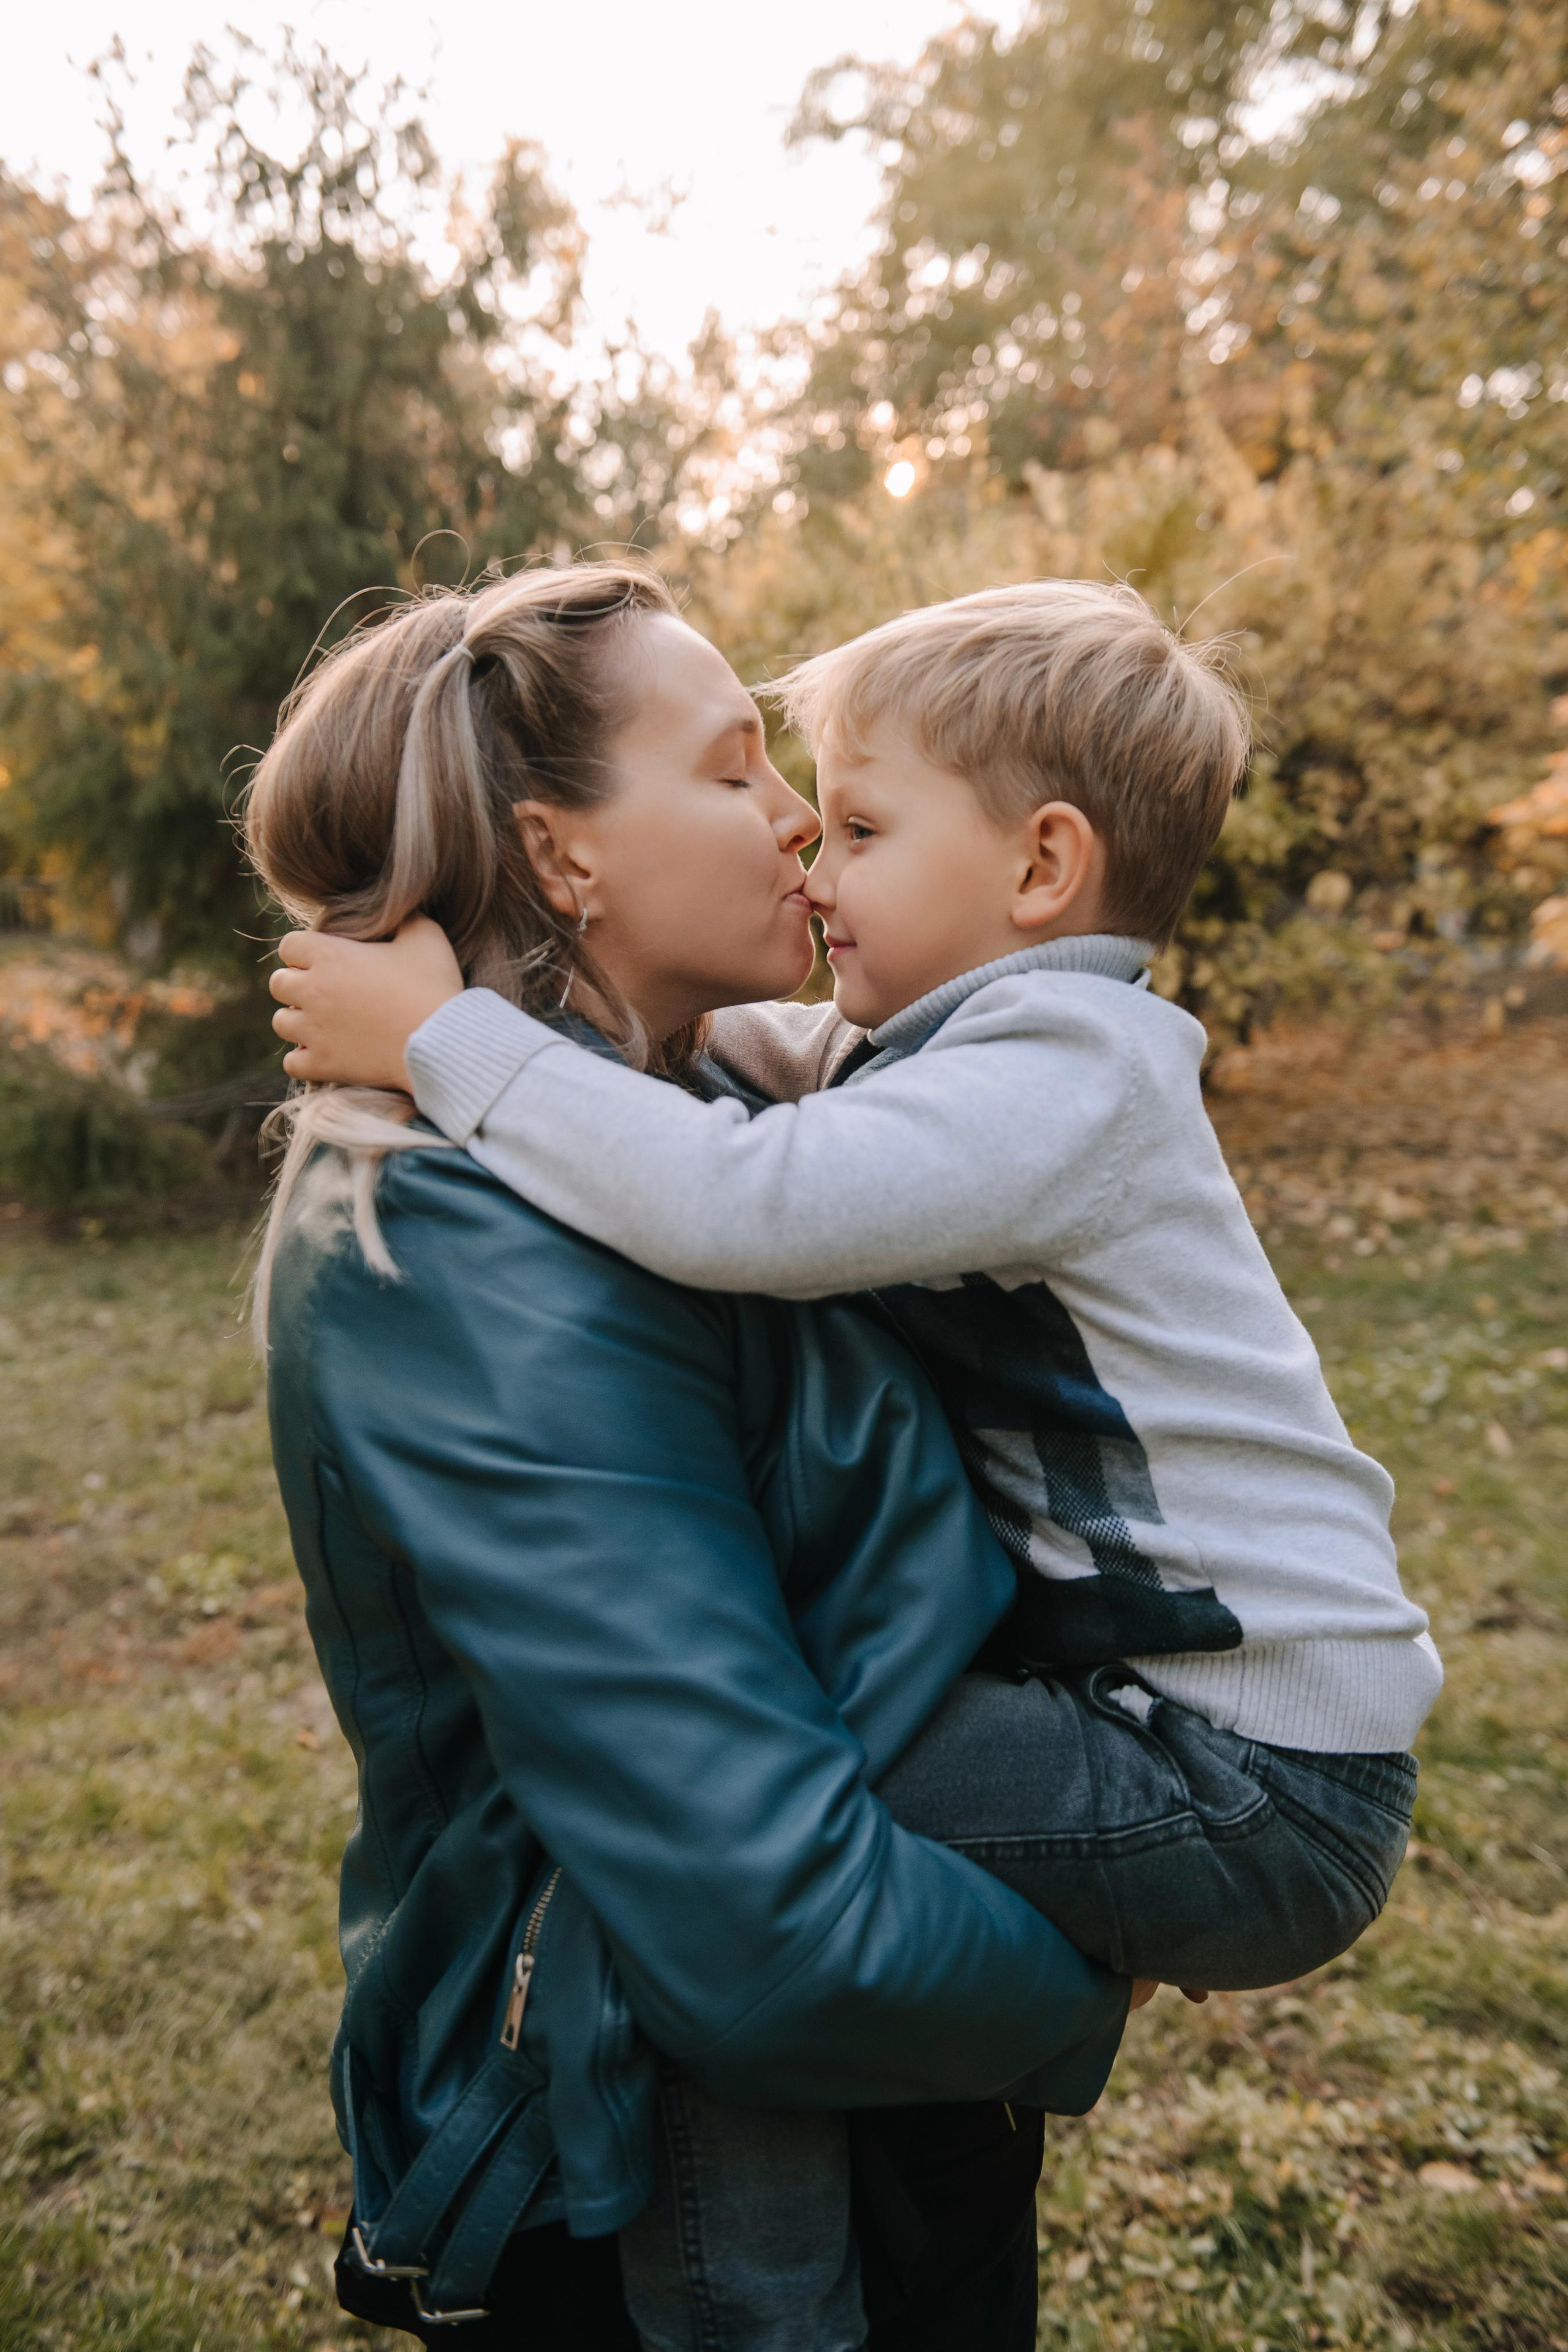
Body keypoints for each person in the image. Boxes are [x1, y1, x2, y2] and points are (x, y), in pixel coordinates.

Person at [271, 578, 1442, 2348]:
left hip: (1203, 1783)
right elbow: (757, 1889)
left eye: (851, 808)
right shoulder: (480, 1238)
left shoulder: (980, 1080)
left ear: (1039, 869)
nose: (804, 824)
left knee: (738, 1919)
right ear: (560, 855)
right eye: (742, 772)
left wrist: (464, 1037)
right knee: (731, 1966)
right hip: (788, 2011)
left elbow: (745, 1163)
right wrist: (511, 1033)